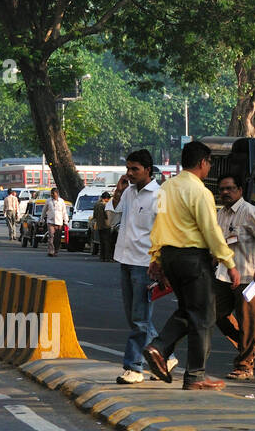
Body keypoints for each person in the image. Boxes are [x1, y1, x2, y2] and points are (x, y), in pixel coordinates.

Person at [142, 141, 239, 391]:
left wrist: (156, 257)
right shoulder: (200, 192)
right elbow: (210, 229)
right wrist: (229, 262)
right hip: (193, 258)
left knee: (189, 310)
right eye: (209, 164)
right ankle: (194, 374)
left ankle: (159, 347)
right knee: (204, 316)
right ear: (202, 163)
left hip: (170, 256)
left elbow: (158, 223)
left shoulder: (166, 188)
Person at [110, 151, 162, 384]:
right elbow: (111, 219)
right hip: (125, 259)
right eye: (128, 169)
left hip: (145, 264)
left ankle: (134, 367)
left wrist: (158, 263)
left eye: (135, 169)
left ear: (148, 170)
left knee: (140, 319)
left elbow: (163, 232)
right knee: (135, 317)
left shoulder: (159, 196)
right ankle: (164, 353)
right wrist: (118, 191)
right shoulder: (129, 193)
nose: (129, 174)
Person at [213, 175, 255, 381]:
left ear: (240, 190)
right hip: (224, 274)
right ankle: (252, 347)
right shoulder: (221, 213)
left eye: (230, 188)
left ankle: (245, 365)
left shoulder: (250, 212)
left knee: (247, 321)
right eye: (222, 189)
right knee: (217, 314)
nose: (225, 192)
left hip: (247, 274)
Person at [43, 186, 69, 256]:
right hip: (50, 222)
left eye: (53, 194)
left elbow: (64, 212)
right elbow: (44, 211)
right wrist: (42, 219)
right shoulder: (48, 201)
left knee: (57, 238)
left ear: (57, 194)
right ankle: (51, 251)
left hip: (59, 222)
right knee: (51, 236)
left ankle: (56, 250)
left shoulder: (61, 201)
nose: (52, 195)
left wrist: (66, 221)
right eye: (51, 194)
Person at [92, 191, 113, 262]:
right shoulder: (105, 205)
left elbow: (94, 215)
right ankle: (107, 257)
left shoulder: (96, 205)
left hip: (99, 225)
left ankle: (102, 257)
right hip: (106, 225)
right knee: (107, 242)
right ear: (106, 198)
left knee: (101, 241)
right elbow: (107, 216)